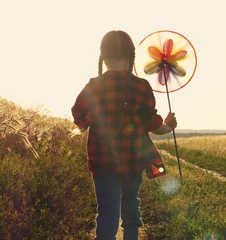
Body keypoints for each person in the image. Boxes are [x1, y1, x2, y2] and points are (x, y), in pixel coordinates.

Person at [71, 30, 177, 240]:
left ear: (103, 55)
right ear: (131, 56)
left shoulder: (94, 86)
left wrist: (93, 118)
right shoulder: (141, 87)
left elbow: (79, 116)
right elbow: (154, 125)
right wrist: (169, 125)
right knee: (130, 205)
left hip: (103, 162)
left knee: (108, 211)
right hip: (133, 162)